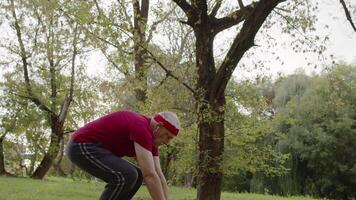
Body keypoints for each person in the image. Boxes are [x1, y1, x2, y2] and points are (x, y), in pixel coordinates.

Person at [66, 110, 180, 200]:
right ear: (158, 126)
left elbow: (159, 176)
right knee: (127, 174)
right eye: (168, 136)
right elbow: (150, 175)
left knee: (137, 176)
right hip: (80, 145)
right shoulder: (141, 127)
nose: (167, 142)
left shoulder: (151, 139)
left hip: (94, 148)